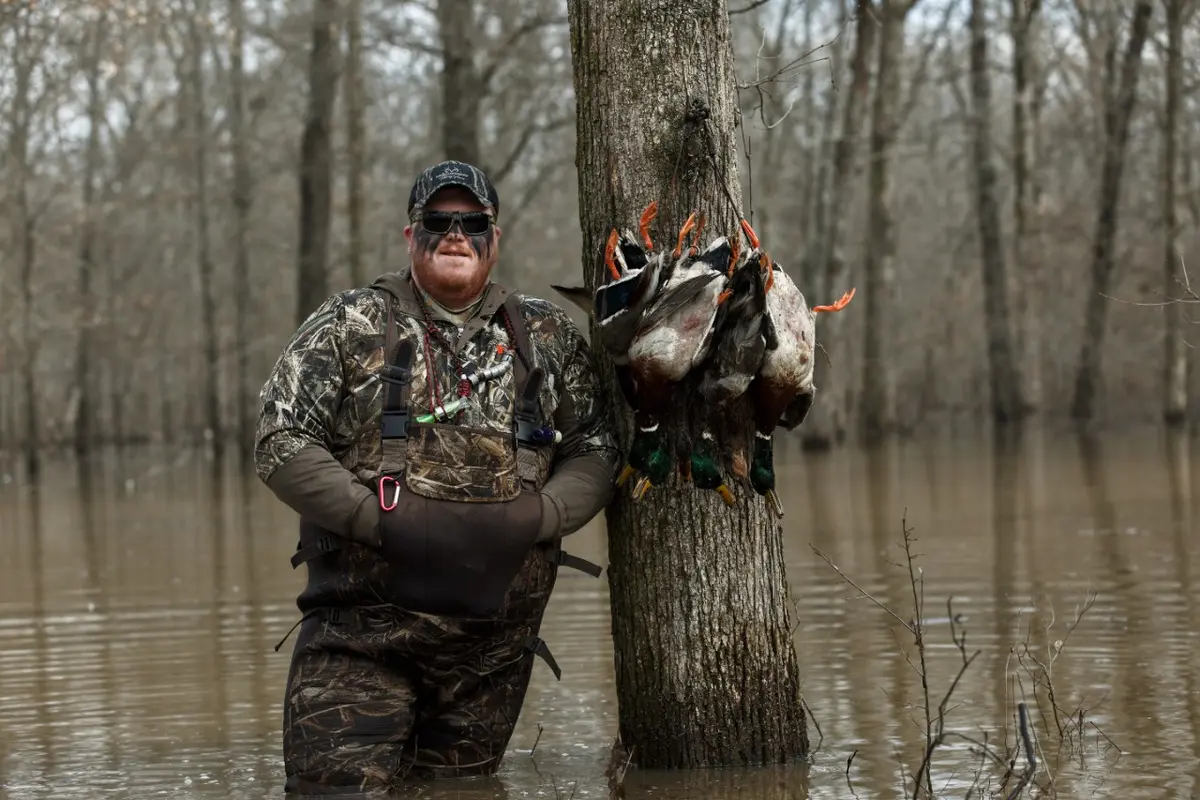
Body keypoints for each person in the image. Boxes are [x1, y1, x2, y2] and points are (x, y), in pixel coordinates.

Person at [254, 160, 620, 795]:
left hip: (492, 654)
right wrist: (381, 521)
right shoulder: (349, 323)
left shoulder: (546, 333)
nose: (456, 234)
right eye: (439, 222)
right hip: (360, 643)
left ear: (494, 239)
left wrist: (544, 515)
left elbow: (598, 445)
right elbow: (279, 439)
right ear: (410, 236)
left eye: (472, 223)